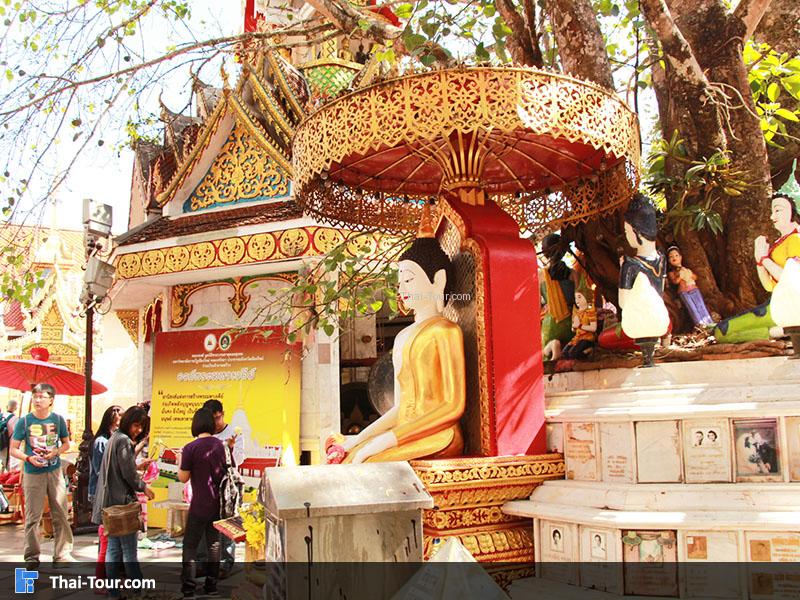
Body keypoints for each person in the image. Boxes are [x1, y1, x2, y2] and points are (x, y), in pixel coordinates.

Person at [334, 204, 465, 463]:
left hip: (440, 434)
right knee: (351, 458)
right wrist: (358, 440)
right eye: (400, 282)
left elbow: (453, 406)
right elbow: (400, 407)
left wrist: (387, 441)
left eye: (409, 280)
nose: (402, 289)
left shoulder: (445, 331)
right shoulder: (403, 336)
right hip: (406, 432)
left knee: (366, 463)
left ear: (437, 280)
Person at [714, 176, 800, 342]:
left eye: (778, 210)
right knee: (721, 331)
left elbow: (790, 278)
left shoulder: (796, 240)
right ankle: (779, 332)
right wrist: (759, 261)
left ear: (792, 212)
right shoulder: (780, 243)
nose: (772, 217)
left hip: (789, 305)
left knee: (722, 332)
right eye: (772, 211)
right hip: (775, 303)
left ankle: (786, 330)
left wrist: (765, 259)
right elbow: (768, 286)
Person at [9, 383, 73, 569]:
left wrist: (56, 452)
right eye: (35, 397)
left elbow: (66, 444)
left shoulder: (58, 420)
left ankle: (62, 554)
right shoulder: (25, 421)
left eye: (41, 397)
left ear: (51, 400)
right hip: (33, 473)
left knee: (60, 513)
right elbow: (13, 449)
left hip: (54, 471)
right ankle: (31, 557)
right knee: (32, 517)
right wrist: (28, 458)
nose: (37, 400)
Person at [92, 407, 154, 597]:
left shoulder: (115, 438)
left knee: (113, 550)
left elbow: (122, 466)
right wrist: (144, 487)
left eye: (141, 427)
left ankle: (114, 592)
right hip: (122, 504)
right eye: (136, 425)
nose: (138, 430)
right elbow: (128, 474)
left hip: (109, 504)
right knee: (128, 551)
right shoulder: (123, 440)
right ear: (128, 422)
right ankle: (137, 589)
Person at [178, 408, 228, 599]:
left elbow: (183, 477)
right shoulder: (220, 445)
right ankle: (211, 585)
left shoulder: (190, 448)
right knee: (214, 544)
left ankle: (189, 587)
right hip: (217, 503)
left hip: (198, 504)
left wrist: (180, 461)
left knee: (190, 546)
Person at [198, 398, 242, 576]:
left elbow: (239, 459)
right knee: (203, 523)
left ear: (222, 414)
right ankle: (202, 562)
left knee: (227, 523)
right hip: (206, 484)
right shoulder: (203, 434)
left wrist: (229, 449)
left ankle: (225, 562)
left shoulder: (234, 433)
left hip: (227, 485)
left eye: (217, 418)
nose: (215, 423)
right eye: (211, 419)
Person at [89, 405, 121, 581]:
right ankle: (103, 576)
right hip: (102, 492)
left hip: (109, 491)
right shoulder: (101, 442)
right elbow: (100, 470)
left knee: (108, 537)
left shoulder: (114, 439)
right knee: (105, 537)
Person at [666, 246, 714, 327]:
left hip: (694, 290)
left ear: (680, 257)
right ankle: (701, 325)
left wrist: (689, 274)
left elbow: (695, 277)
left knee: (701, 306)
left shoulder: (686, 269)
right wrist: (680, 276)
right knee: (693, 309)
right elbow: (675, 281)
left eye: (676, 255)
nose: (674, 258)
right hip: (684, 292)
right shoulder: (672, 272)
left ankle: (709, 322)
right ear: (668, 260)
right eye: (671, 256)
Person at [1, 399, 19, 471]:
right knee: (7, 463)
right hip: (6, 443)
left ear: (6, 406)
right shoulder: (15, 419)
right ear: (16, 408)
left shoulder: (1, 415)